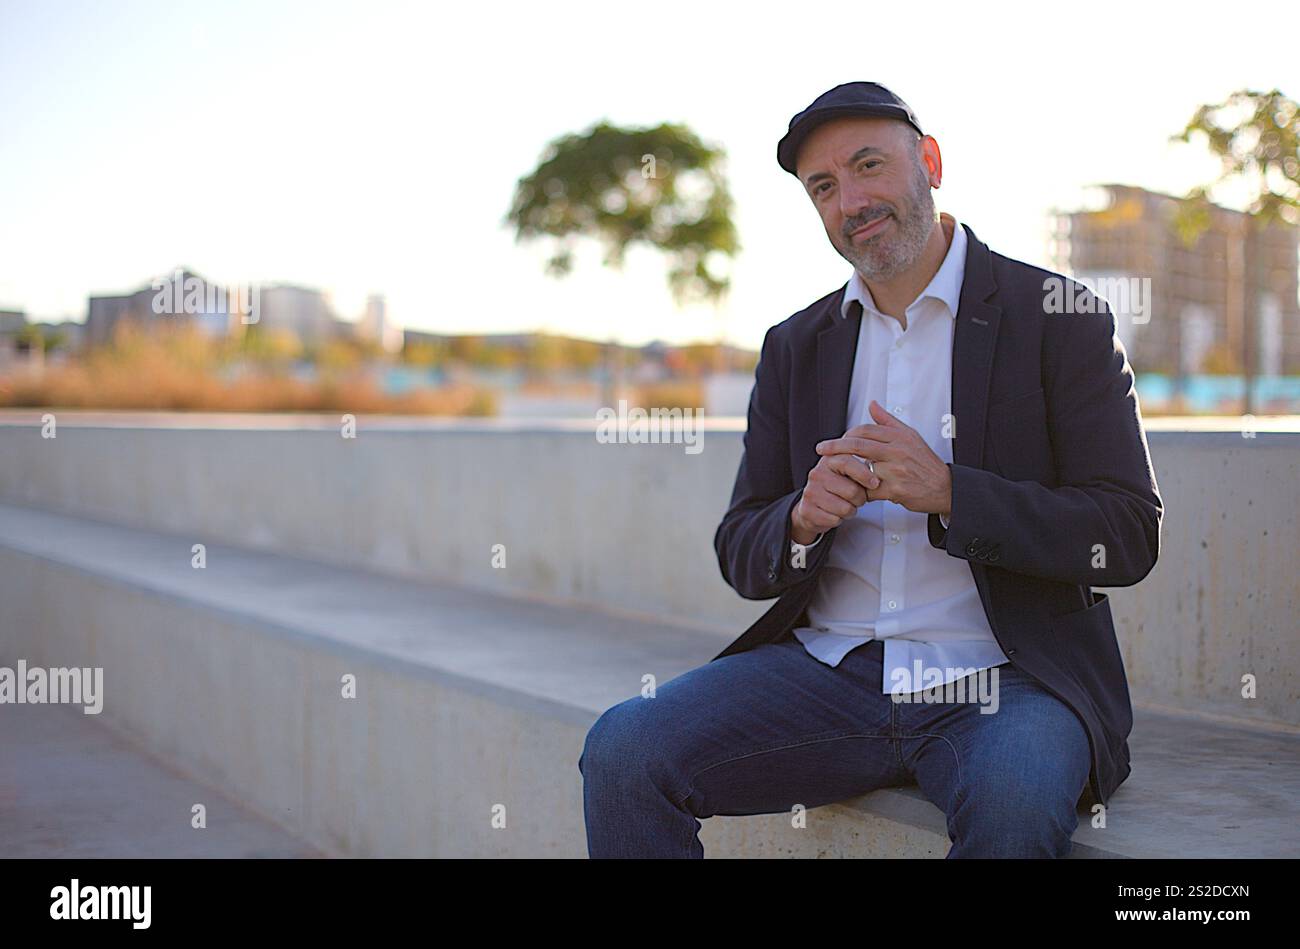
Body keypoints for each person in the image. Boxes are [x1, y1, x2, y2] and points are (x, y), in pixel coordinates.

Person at [579, 81, 1163, 858]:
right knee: (623, 748)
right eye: (824, 186)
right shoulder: (796, 344)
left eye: (867, 166)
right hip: (827, 673)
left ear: (930, 162)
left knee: (1013, 809)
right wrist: (800, 518)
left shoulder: (1059, 314)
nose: (850, 200)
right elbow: (739, 547)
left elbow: (1127, 533)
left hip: (1006, 680)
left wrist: (953, 494)